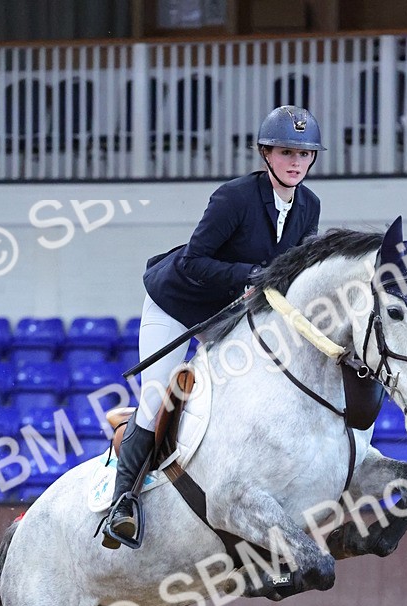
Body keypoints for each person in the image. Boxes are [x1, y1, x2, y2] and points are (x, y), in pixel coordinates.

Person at [104, 105, 325, 549]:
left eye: (304, 154)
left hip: (228, 314)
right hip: (177, 304)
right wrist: (251, 276)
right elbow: (194, 261)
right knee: (155, 396)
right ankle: (121, 504)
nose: (296, 162)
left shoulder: (308, 207)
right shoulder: (234, 198)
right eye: (286, 152)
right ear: (266, 153)